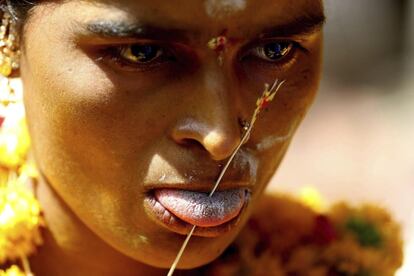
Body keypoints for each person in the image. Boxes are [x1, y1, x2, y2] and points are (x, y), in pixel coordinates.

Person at [0, 0, 326, 275]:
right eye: (141, 53)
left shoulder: (352, 260)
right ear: (8, 34)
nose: (221, 138)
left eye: (274, 50)